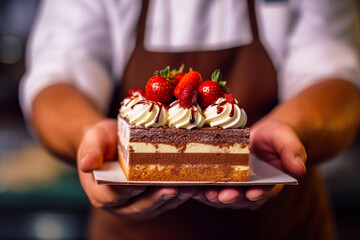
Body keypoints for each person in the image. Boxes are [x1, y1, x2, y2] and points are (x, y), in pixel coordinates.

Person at [20, 0, 360, 239]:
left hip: (283, 228)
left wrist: (291, 129)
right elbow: (56, 76)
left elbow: (335, 76)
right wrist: (88, 134)